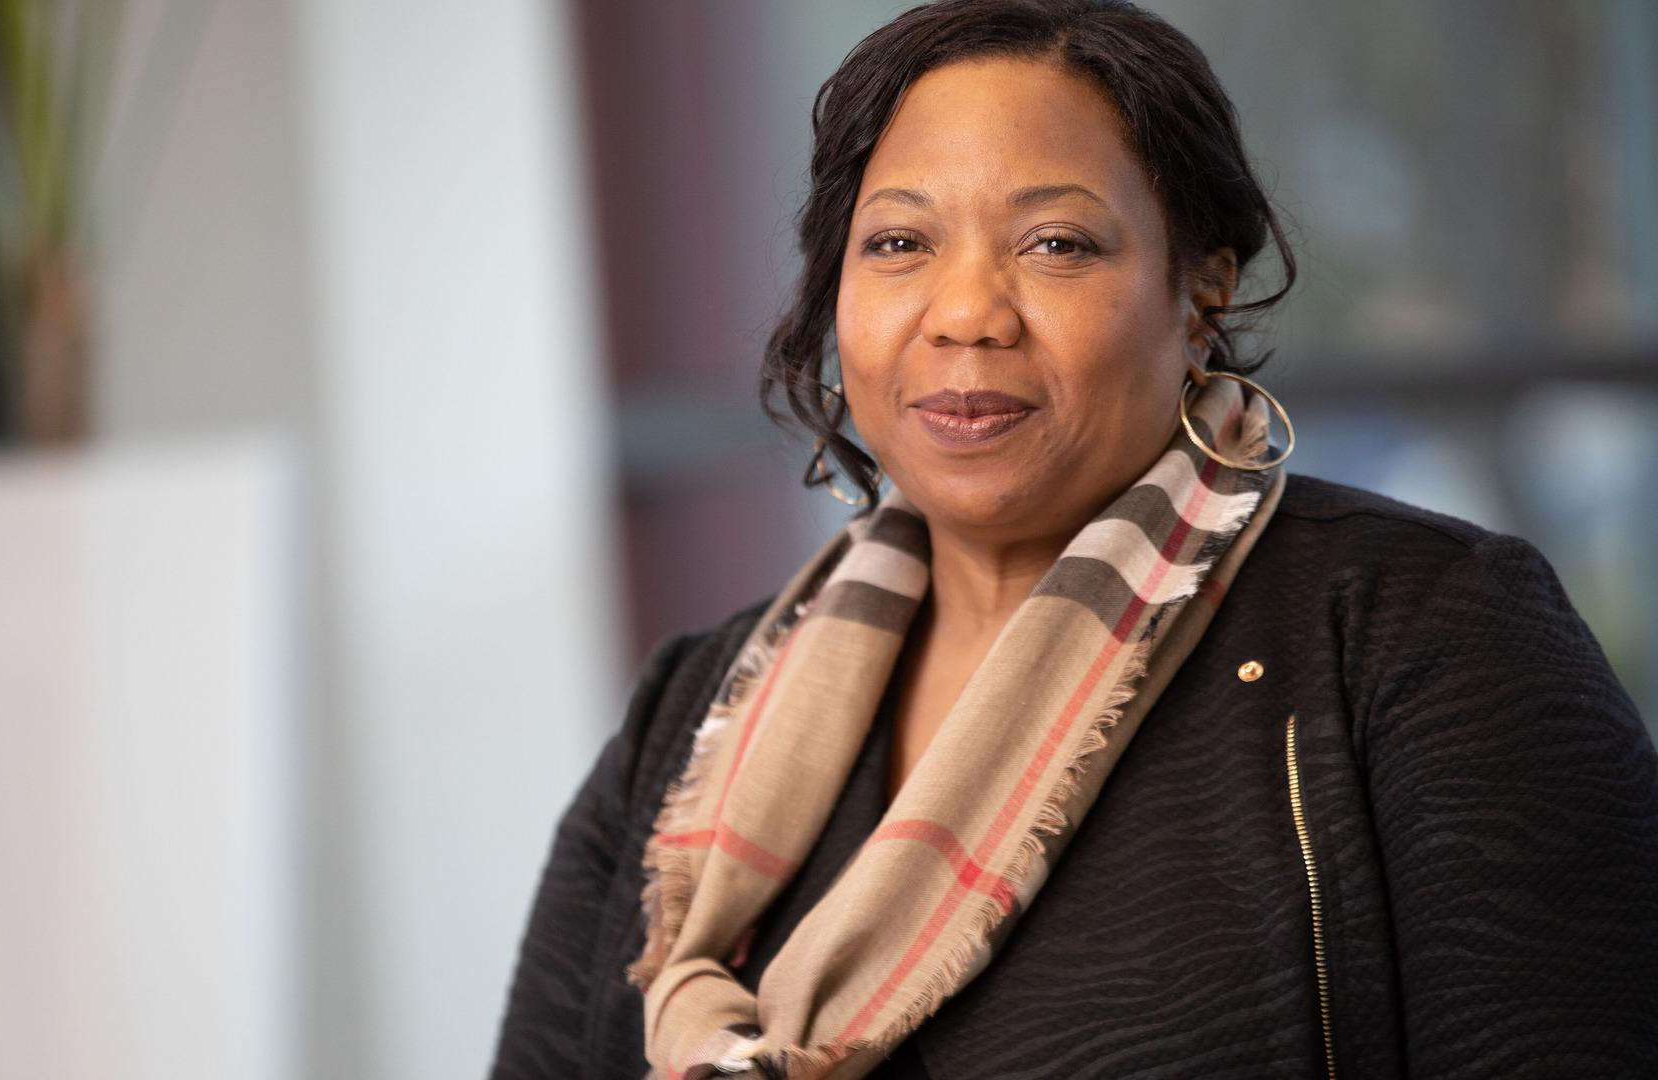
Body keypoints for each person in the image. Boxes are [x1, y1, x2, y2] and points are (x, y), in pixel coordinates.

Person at [489, 1, 1658, 1077]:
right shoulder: (687, 715)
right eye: (899, 243)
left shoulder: (1427, 636)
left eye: (1056, 245)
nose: (964, 314)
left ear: (1201, 291)